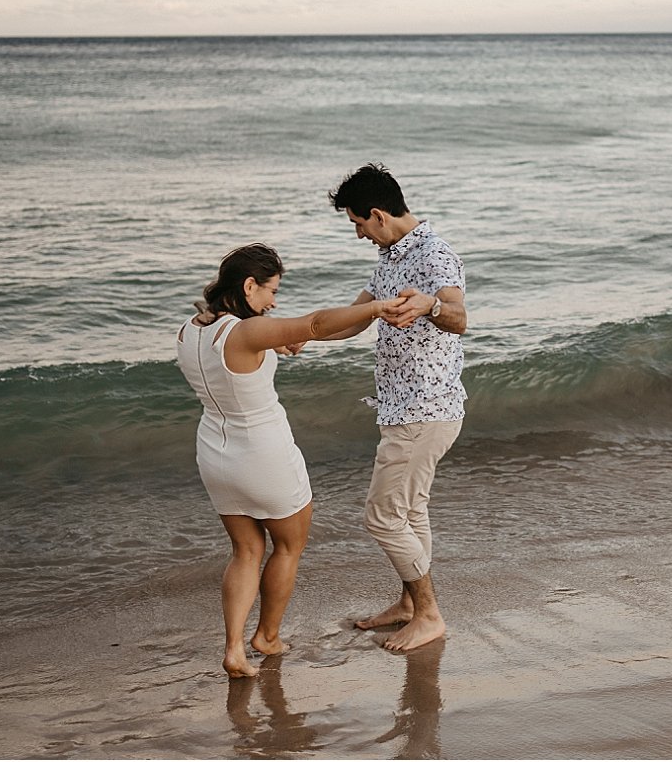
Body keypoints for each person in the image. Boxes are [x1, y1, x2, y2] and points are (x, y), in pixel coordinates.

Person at [176, 242, 402, 678]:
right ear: (248, 286)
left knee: (245, 551)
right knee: (289, 546)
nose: (274, 301)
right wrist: (373, 308)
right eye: (271, 291)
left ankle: (234, 650)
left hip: (215, 454)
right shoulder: (245, 333)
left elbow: (235, 360)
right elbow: (315, 324)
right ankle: (268, 636)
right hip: (263, 453)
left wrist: (273, 347)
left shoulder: (190, 330)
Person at [327, 162, 467, 651]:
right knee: (411, 511)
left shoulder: (434, 254)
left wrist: (429, 305)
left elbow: (458, 318)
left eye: (358, 223)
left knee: (381, 517)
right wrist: (299, 337)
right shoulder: (389, 257)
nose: (359, 234)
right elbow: (355, 318)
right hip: (405, 408)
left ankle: (429, 614)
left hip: (423, 410)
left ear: (379, 214)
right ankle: (410, 605)